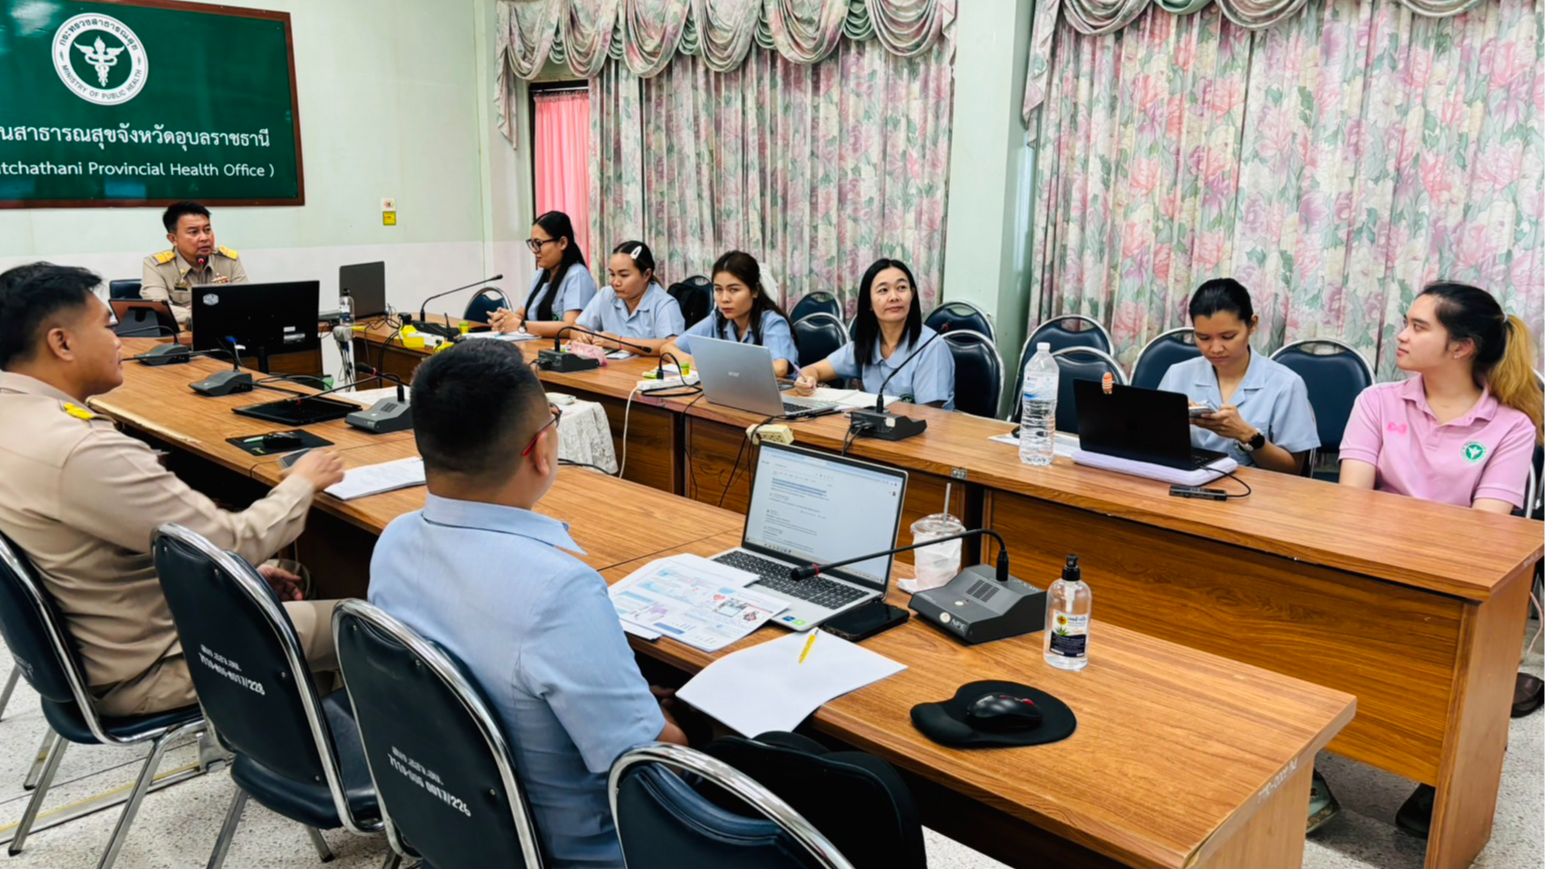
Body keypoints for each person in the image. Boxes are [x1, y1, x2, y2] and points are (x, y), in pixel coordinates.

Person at [369, 339, 687, 868]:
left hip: (454, 821)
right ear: (542, 451)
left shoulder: (395, 541)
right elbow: (651, 764)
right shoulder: (559, 591)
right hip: (578, 852)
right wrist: (676, 720)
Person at [0, 264, 344, 717]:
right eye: (108, 326)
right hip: (155, 665)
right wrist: (302, 481)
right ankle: (329, 770)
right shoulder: (83, 447)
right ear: (61, 343)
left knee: (292, 573)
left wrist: (236, 577)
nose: (120, 339)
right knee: (364, 626)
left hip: (98, 643)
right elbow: (231, 543)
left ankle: (298, 734)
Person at [1336, 281, 1545, 838]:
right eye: (1405, 322)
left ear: (1462, 347)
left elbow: (1484, 531)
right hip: (1367, 563)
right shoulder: (1377, 401)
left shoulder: (1510, 426)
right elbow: (1349, 505)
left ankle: (1438, 774)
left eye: (1419, 326)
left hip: (1453, 584)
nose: (1401, 335)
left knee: (1448, 669)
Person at [1157, 278, 1319, 474]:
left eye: (1228, 337)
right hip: (1183, 485)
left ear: (1252, 325)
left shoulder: (1285, 384)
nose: (1215, 349)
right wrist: (1173, 423)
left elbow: (1293, 470)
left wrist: (1248, 435)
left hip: (1254, 494)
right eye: (1203, 338)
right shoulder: (1177, 375)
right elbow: (1150, 446)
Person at [793, 258, 955, 409]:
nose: (894, 297)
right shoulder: (867, 343)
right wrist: (806, 380)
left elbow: (929, 414)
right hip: (877, 432)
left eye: (901, 288)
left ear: (912, 295)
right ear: (868, 302)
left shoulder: (932, 347)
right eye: (883, 290)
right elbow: (813, 370)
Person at [661, 251, 799, 378]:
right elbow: (668, 348)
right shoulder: (718, 318)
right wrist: (691, 361)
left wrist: (716, 365)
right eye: (718, 289)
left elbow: (780, 369)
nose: (724, 298)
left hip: (780, 397)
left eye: (733, 290)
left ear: (755, 291)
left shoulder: (772, 322)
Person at [490, 211, 597, 339]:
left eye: (539, 243)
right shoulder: (540, 275)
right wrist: (504, 320)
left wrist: (521, 326)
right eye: (532, 244)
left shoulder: (577, 275)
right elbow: (520, 314)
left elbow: (571, 327)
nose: (535, 250)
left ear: (562, 243)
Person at [141, 201, 248, 327]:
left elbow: (246, 302)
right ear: (173, 239)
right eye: (194, 232)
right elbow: (159, 309)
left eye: (207, 230)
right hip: (182, 339)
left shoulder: (228, 260)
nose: (204, 238)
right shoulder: (156, 265)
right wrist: (200, 314)